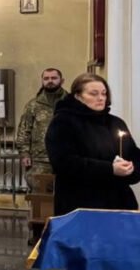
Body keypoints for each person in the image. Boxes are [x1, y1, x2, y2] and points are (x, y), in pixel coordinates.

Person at [45, 73, 140, 216]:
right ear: (78, 96)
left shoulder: (116, 123)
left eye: (104, 93)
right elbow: (63, 162)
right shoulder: (63, 121)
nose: (101, 98)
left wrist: (131, 169)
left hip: (118, 204)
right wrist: (110, 169)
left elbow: (133, 154)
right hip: (80, 204)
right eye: (93, 94)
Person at [16, 68, 67, 187]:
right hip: (40, 160)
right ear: (42, 81)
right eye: (46, 78)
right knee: (39, 193)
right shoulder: (33, 105)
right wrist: (24, 153)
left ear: (62, 80)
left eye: (54, 78)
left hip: (66, 158)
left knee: (66, 193)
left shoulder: (71, 103)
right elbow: (24, 131)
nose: (50, 81)